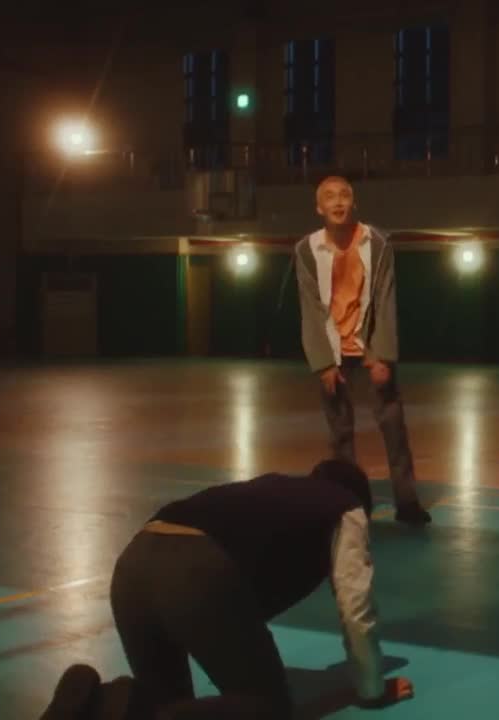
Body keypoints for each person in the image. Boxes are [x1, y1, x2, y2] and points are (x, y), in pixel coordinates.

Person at [41, 460, 412, 719]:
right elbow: (356, 608)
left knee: (164, 704)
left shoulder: (279, 492)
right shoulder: (345, 507)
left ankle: (91, 704)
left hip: (132, 566)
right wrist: (372, 690)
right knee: (267, 710)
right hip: (192, 572)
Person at [294, 176, 431, 526]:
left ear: (353, 203)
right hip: (334, 351)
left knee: (394, 428)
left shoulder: (378, 243)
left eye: (344, 195)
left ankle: (407, 502)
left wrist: (382, 355)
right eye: (329, 197)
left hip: (370, 348)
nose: (338, 202)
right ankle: (348, 503)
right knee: (340, 435)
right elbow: (310, 309)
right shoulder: (306, 250)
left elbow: (385, 300)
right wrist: (324, 364)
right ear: (319, 207)